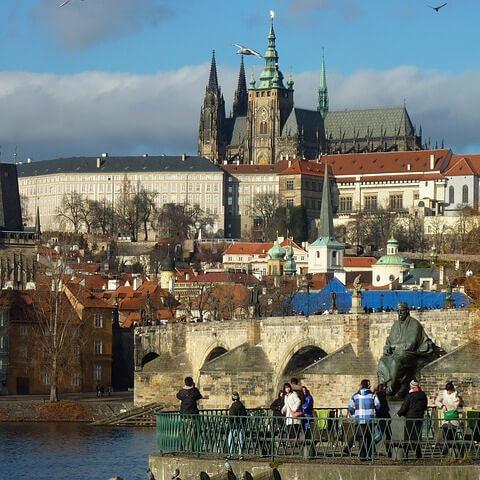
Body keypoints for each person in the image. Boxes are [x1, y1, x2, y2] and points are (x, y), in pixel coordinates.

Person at [377, 302, 438, 399]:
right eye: (398, 311)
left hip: (410, 353)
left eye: (402, 311)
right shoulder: (395, 325)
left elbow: (411, 344)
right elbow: (389, 341)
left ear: (407, 311)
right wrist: (387, 347)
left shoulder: (414, 324)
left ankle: (392, 387)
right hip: (395, 353)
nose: (400, 313)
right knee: (382, 361)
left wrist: (393, 347)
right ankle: (385, 386)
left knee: (396, 362)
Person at [347, 379, 380, 460]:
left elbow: (350, 407)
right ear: (368, 386)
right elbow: (378, 406)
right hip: (370, 419)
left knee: (361, 437)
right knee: (369, 437)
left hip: (359, 419)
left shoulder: (355, 396)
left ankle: (362, 455)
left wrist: (355, 415)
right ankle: (369, 454)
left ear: (361, 385)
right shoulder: (373, 395)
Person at [397, 379, 428, 459]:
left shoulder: (410, 395)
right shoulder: (423, 394)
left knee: (408, 435)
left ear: (412, 386)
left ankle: (406, 454)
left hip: (410, 417)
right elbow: (425, 406)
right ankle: (418, 453)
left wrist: (399, 413)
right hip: (419, 417)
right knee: (417, 435)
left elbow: (405, 406)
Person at [435, 381, 464, 456]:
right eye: (447, 391)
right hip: (446, 417)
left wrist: (459, 403)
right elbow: (436, 401)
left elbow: (461, 405)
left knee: (452, 434)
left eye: (450, 391)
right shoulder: (443, 394)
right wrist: (442, 406)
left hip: (454, 417)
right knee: (445, 433)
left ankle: (455, 451)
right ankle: (449, 449)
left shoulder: (457, 394)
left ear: (452, 389)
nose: (448, 392)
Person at [374, 383, 392, 457]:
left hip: (381, 417)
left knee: (386, 434)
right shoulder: (382, 396)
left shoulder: (377, 395)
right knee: (383, 435)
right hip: (383, 417)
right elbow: (384, 408)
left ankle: (389, 451)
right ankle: (371, 446)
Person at [227, 392, 247, 459]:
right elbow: (245, 415)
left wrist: (230, 421)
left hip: (234, 425)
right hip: (240, 425)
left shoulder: (233, 406)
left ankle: (230, 454)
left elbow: (231, 416)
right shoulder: (241, 405)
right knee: (240, 440)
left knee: (230, 439)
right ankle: (240, 454)